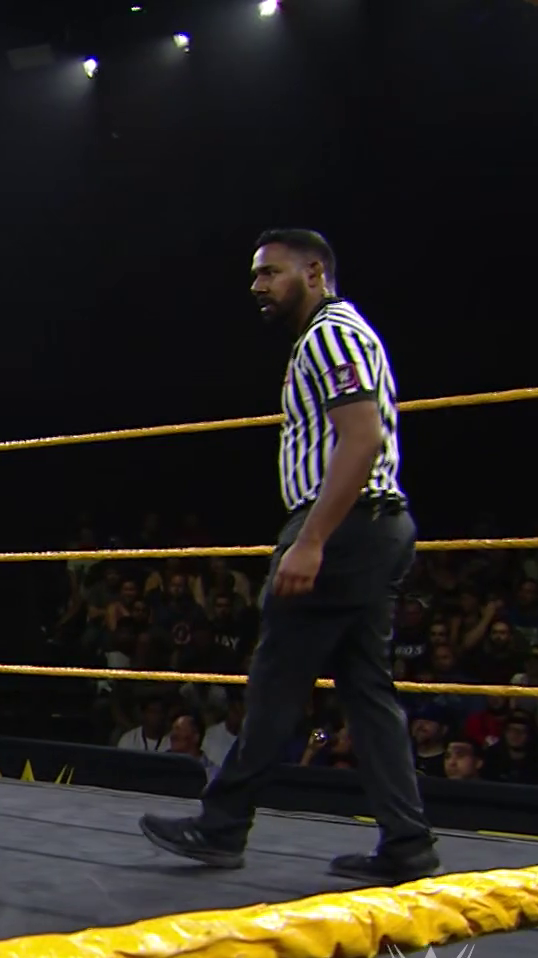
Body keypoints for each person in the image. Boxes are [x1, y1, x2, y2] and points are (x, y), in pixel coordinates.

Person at [140, 228, 438, 884]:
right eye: (256, 275)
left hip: (345, 527)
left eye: (271, 272)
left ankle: (221, 825)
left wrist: (312, 540)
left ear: (315, 271)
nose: (258, 286)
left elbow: (359, 440)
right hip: (371, 528)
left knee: (277, 680)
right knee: (367, 691)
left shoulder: (331, 334)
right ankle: (407, 840)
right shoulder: (333, 336)